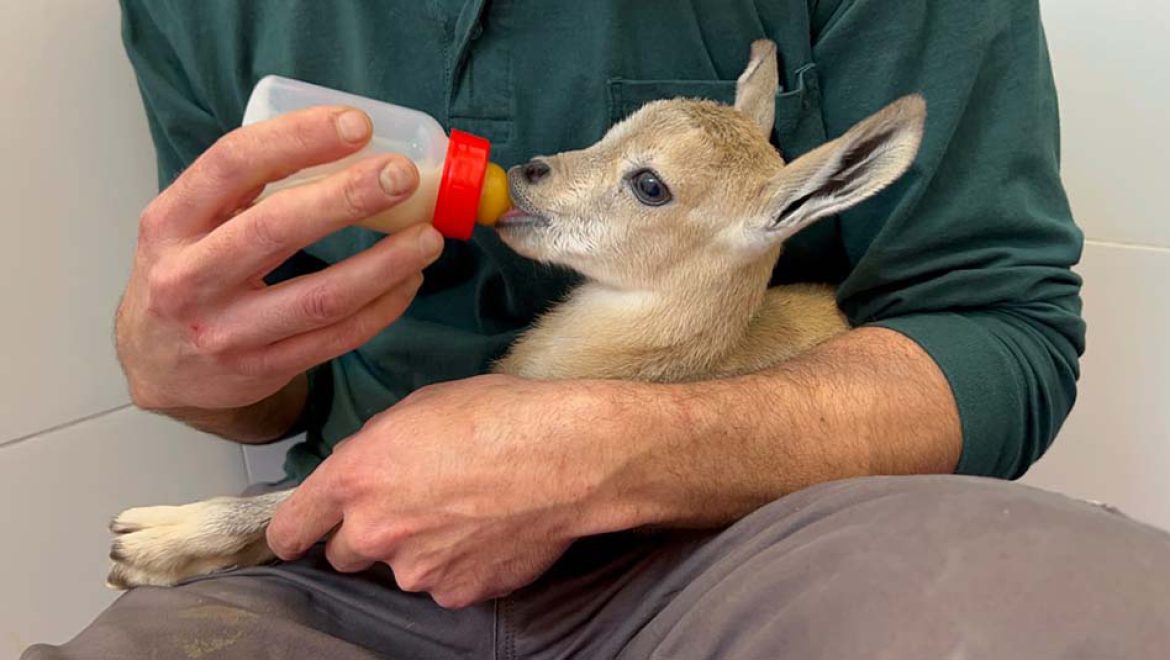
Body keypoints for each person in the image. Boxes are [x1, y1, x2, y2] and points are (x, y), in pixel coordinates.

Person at [24, 1, 1170, 658]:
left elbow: (1002, 322)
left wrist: (604, 451)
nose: (541, 177)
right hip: (356, 559)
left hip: (753, 545)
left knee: (1094, 616)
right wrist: (197, 374)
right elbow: (266, 380)